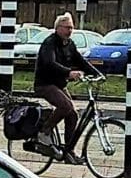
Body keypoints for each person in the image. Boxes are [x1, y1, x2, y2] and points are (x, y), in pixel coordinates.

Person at [33, 12, 94, 165]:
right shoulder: (50, 43)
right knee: (65, 106)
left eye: (71, 28)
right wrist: (69, 72)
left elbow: (81, 61)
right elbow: (50, 63)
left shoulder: (70, 45)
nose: (70, 31)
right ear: (58, 28)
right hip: (45, 84)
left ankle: (68, 151)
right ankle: (44, 131)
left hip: (59, 84)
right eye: (67, 27)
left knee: (72, 114)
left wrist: (99, 74)